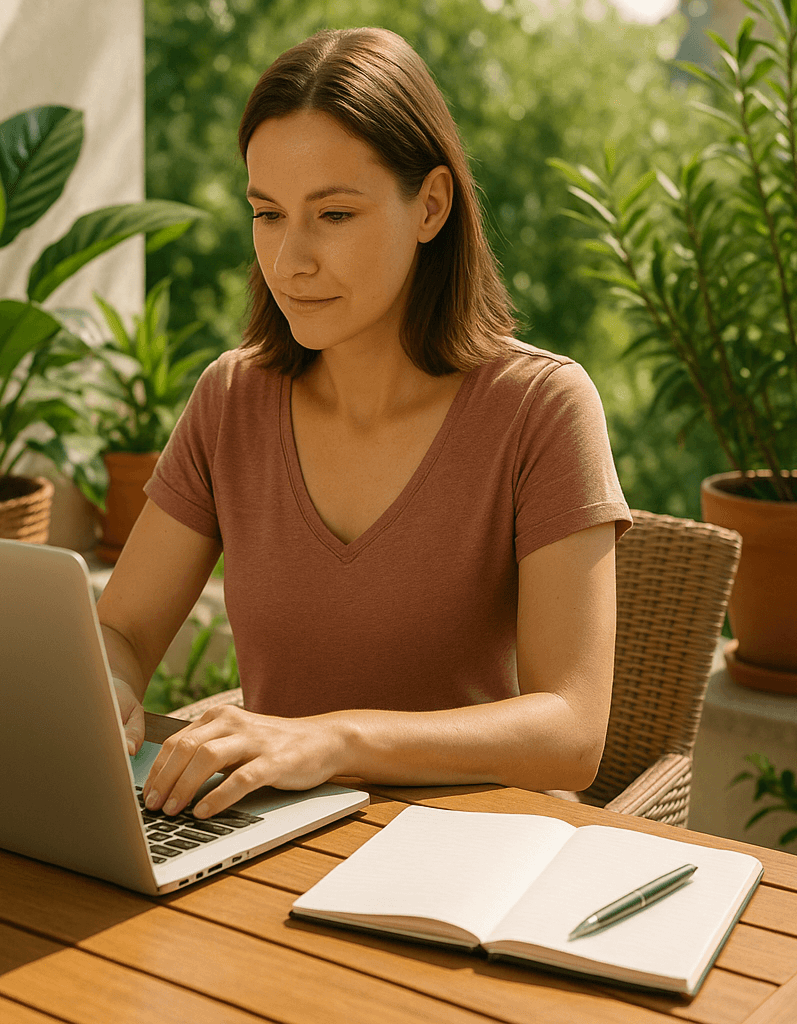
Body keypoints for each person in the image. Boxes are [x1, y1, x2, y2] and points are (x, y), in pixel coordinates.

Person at [97, 27, 631, 823]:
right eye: (267, 213)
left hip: (474, 849)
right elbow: (124, 631)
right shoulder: (232, 399)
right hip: (271, 837)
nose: (290, 260)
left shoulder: (542, 407)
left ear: (432, 206)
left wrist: (332, 741)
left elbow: (572, 731)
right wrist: (109, 685)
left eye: (335, 213)